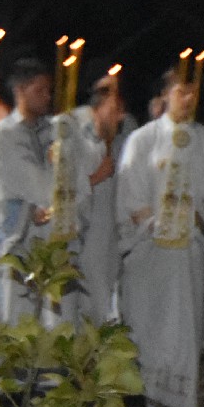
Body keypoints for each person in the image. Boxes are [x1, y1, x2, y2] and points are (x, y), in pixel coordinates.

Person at [116, 65, 204, 407]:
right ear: (164, 95)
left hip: (187, 255)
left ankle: (181, 406)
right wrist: (152, 222)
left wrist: (198, 217)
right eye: (180, 91)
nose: (187, 98)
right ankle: (137, 394)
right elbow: (129, 191)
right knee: (142, 323)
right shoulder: (142, 140)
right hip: (147, 252)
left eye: (192, 92)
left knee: (182, 329)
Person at [0, 57, 60, 323]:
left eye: (49, 90)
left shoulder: (53, 133)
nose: (47, 97)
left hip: (49, 241)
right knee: (15, 315)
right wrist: (26, 212)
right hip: (16, 241)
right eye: (39, 90)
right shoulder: (1, 137)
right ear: (20, 90)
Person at [61, 71, 128, 326]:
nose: (120, 118)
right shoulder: (72, 129)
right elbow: (61, 181)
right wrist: (94, 178)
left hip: (104, 229)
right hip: (78, 229)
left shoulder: (113, 138)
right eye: (115, 109)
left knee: (100, 293)